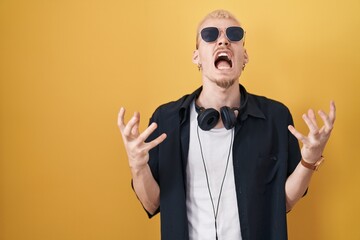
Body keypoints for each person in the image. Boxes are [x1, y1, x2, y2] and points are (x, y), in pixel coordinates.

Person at [118, 9, 336, 240]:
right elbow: (152, 204)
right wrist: (137, 165)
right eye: (210, 35)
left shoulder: (275, 117)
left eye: (234, 34)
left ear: (245, 57)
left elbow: (283, 203)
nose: (223, 40)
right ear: (196, 57)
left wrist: (310, 160)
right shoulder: (166, 120)